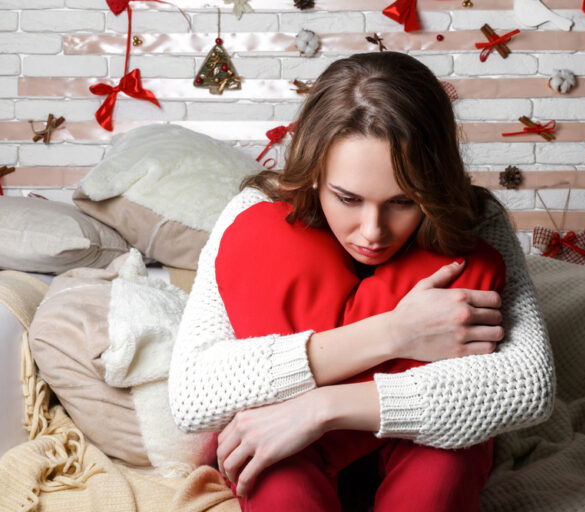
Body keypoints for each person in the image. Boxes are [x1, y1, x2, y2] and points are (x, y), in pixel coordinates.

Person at [168, 51, 555, 511]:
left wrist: (320, 410)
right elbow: (192, 395)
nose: (373, 232)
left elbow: (530, 385)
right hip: (291, 451)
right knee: (272, 476)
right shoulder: (255, 219)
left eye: (403, 201)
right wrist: (396, 332)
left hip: (420, 437)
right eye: (348, 198)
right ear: (314, 173)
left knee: (444, 465)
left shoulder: (473, 222)